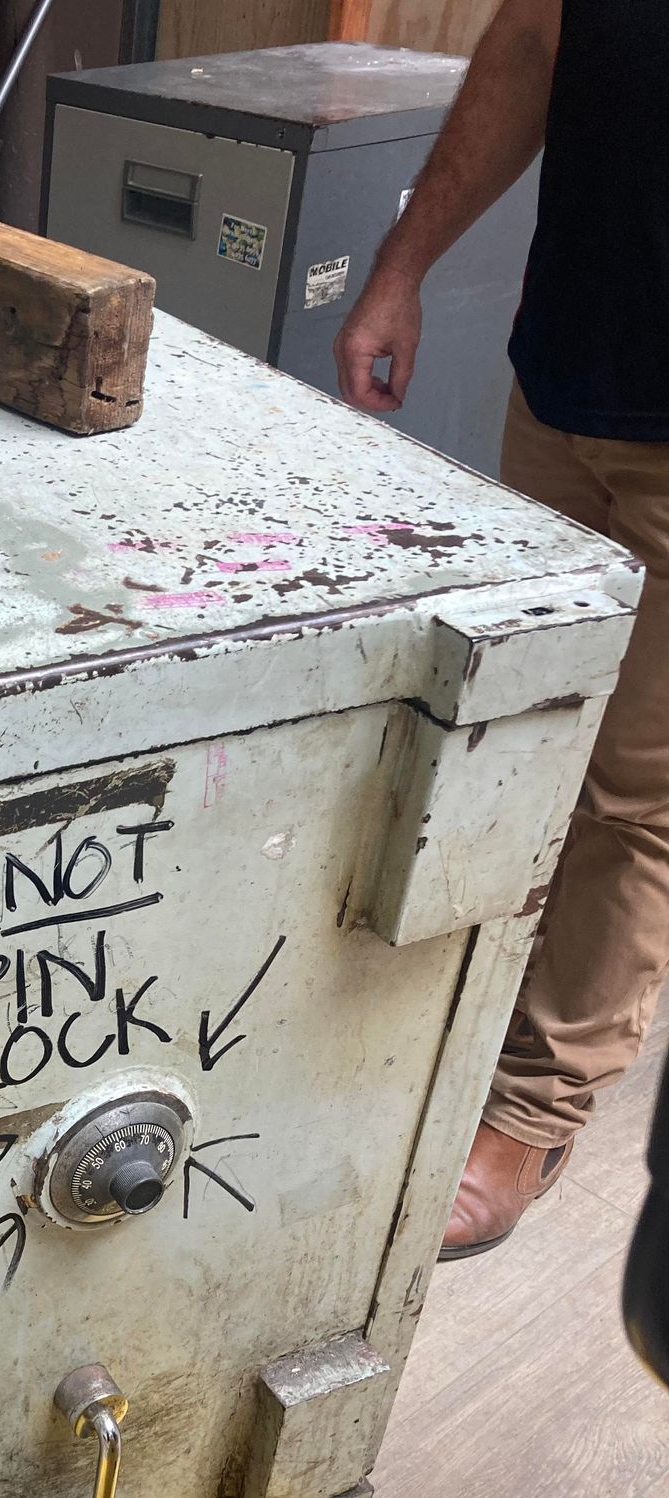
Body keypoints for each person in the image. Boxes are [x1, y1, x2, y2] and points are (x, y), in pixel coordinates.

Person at [333, 0, 669, 1260]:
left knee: (635, 792)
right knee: (519, 732)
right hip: (570, 374)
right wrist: (402, 269)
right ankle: (463, 1016)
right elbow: (536, 36)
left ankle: (532, 1106)